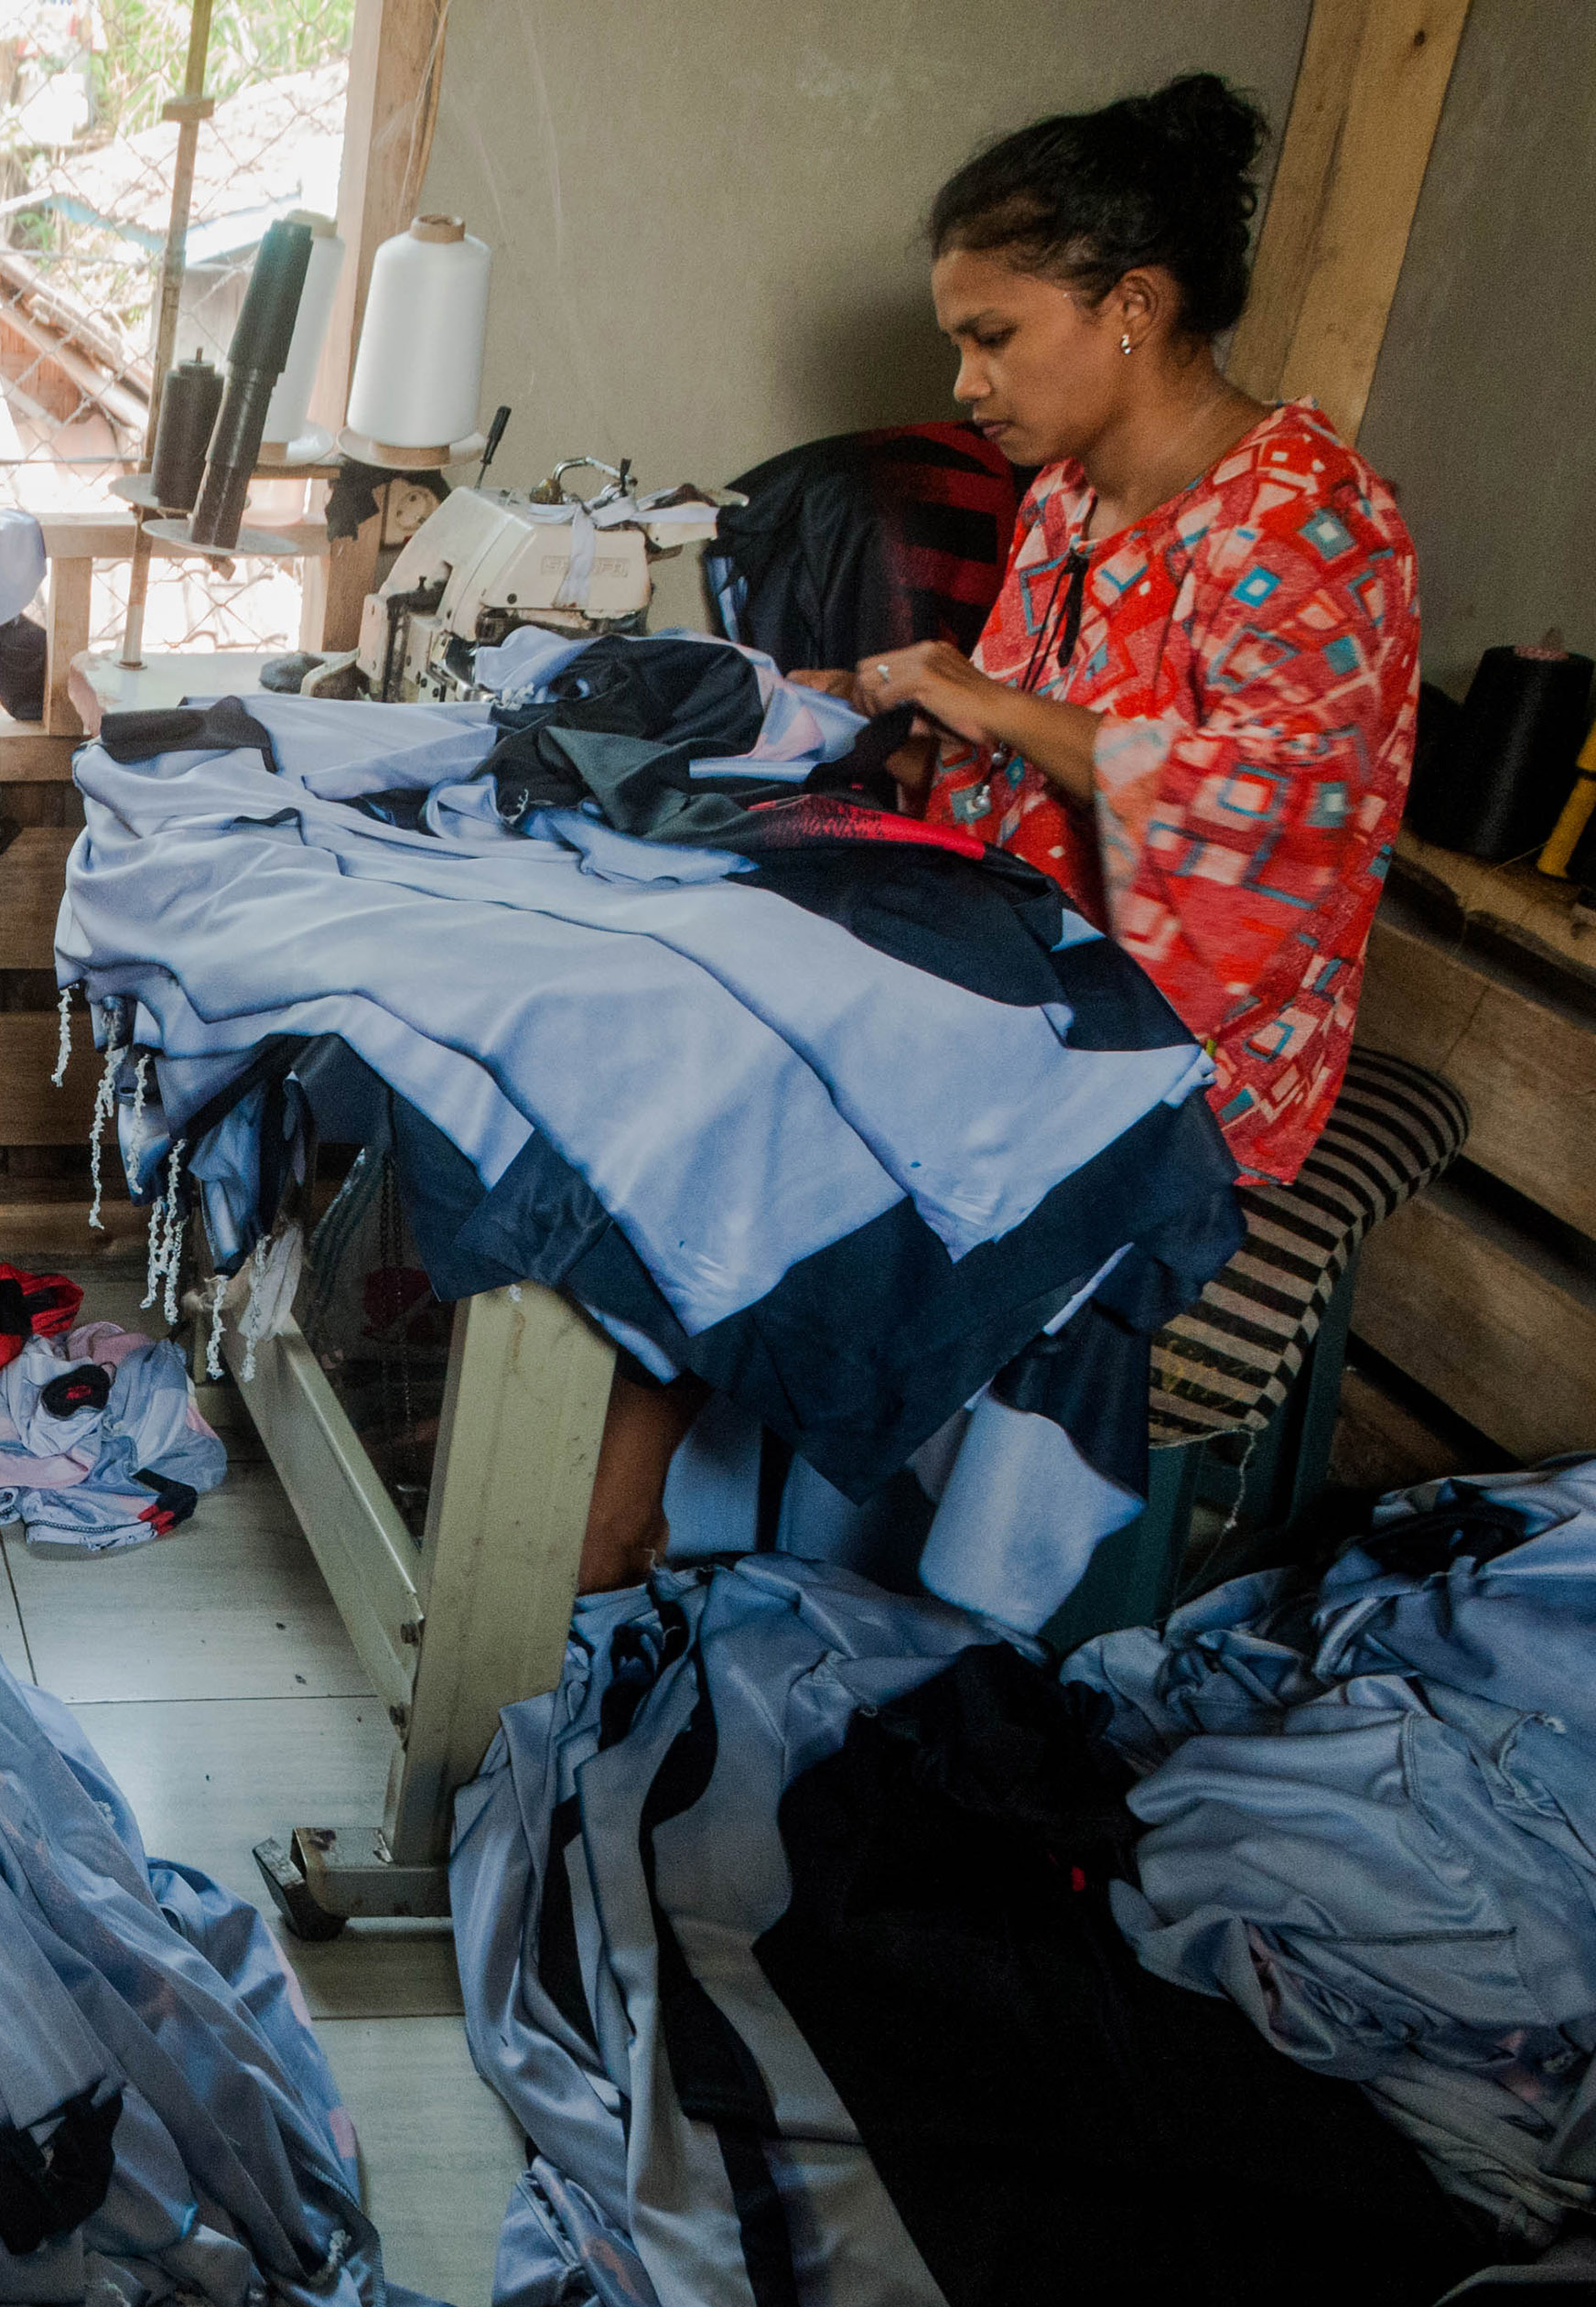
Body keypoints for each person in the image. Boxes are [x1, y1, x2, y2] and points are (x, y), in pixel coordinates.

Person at [577, 71, 1422, 1590]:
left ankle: (773, 1567)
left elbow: (1278, 828)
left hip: (1199, 1042)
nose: (966, 383)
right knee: (715, 1029)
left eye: (992, 336)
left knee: (782, 1122)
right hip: (1029, 947)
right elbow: (1018, 740)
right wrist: (892, 719)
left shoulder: (1311, 521)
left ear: (1134, 308)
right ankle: (654, 1529)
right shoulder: (1072, 499)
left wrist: (985, 703)